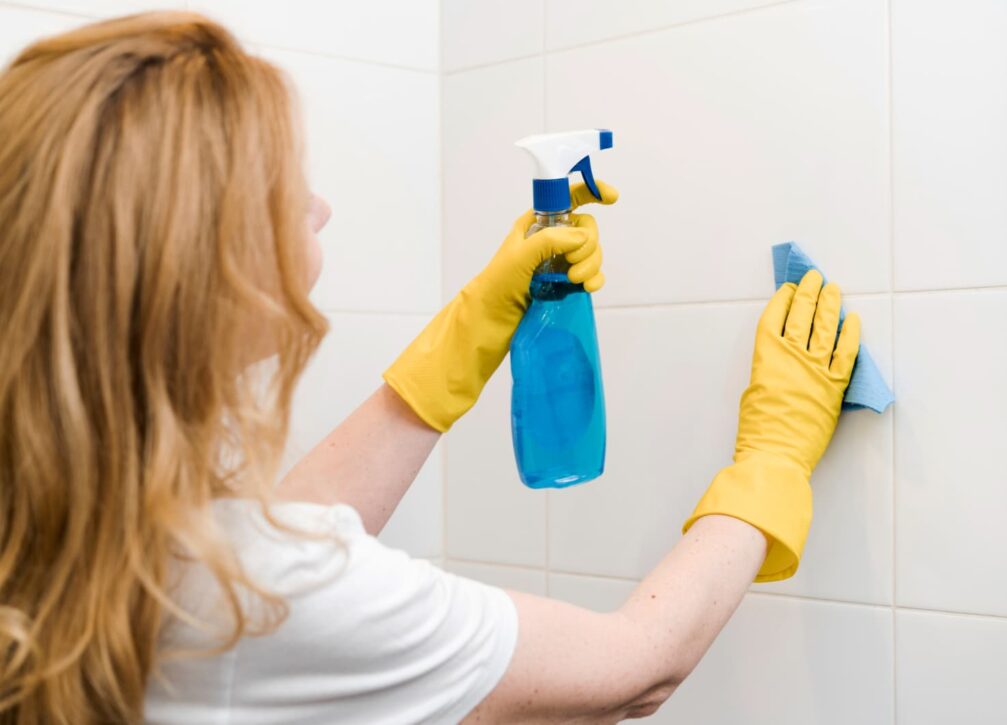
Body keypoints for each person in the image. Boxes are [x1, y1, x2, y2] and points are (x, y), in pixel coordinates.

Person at [0, 13, 861, 725]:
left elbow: (271, 548)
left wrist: (462, 345)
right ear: (202, 263)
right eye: (284, 185)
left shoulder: (50, 519)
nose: (319, 206)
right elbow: (638, 666)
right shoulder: (255, 596)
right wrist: (771, 462)